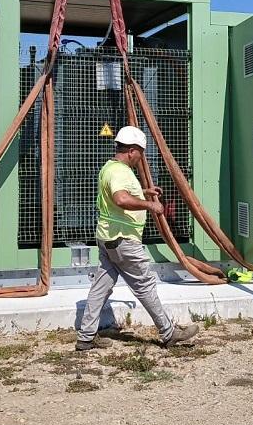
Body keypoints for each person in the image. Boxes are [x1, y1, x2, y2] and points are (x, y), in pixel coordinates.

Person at [76, 126, 200, 351]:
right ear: (132, 150)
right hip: (123, 239)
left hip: (107, 236)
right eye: (140, 152)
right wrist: (150, 204)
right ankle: (168, 332)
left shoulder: (109, 167)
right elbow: (121, 199)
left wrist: (144, 192)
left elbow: (120, 195)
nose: (141, 157)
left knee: (101, 287)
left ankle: (86, 336)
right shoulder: (121, 172)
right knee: (145, 285)